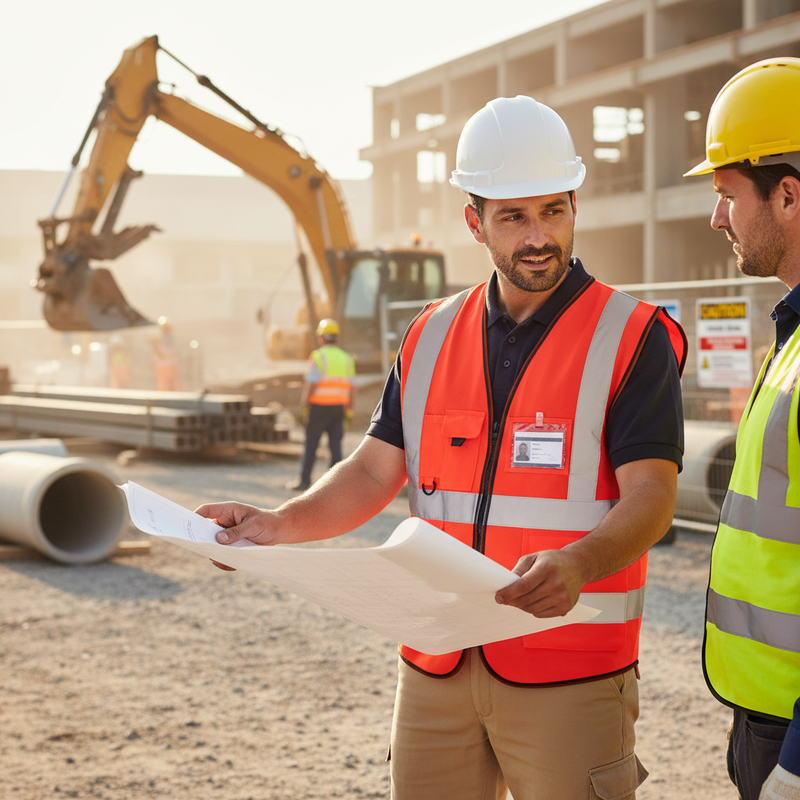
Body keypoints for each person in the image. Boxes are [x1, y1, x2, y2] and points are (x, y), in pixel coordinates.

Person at [197, 96, 686, 800]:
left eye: (554, 210)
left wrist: (578, 562)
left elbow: (653, 496)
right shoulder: (428, 335)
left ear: (576, 203)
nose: (539, 235)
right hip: (436, 664)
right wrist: (279, 525)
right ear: (474, 220)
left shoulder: (631, 336)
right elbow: (372, 471)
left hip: (568, 670)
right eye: (514, 216)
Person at [684, 57, 800, 800]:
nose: (717, 216)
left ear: (787, 194)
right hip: (765, 713)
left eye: (728, 194)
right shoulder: (790, 333)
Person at [286, 318, 355, 492]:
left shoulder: (318, 357)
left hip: (319, 409)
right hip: (339, 409)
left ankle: (304, 481)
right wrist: (349, 411)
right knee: (336, 449)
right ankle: (336, 486)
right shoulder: (347, 359)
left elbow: (311, 385)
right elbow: (352, 389)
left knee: (311, 446)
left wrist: (304, 408)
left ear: (321, 337)